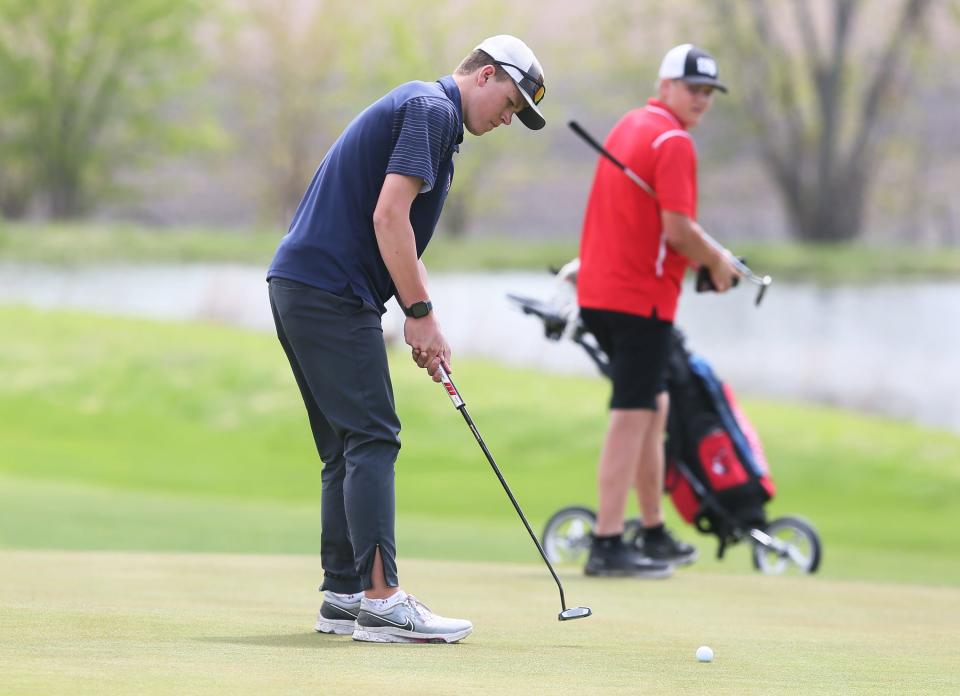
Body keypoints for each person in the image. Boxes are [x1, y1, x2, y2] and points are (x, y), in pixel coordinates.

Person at [265, 35, 546, 644]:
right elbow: (390, 216)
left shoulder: (428, 114)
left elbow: (388, 227)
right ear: (485, 74)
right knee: (371, 436)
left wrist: (413, 313)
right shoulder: (435, 110)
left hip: (304, 285)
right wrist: (420, 313)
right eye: (511, 100)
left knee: (346, 445)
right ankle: (383, 602)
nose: (508, 117)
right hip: (328, 291)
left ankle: (343, 597)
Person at [576, 44, 740, 577]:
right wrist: (717, 262)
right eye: (693, 88)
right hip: (637, 301)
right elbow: (678, 230)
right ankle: (606, 542)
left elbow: (651, 224)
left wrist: (708, 259)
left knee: (656, 407)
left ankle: (650, 529)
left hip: (602, 294)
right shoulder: (673, 140)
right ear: (666, 84)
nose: (702, 100)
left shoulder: (632, 124)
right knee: (632, 415)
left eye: (709, 92)